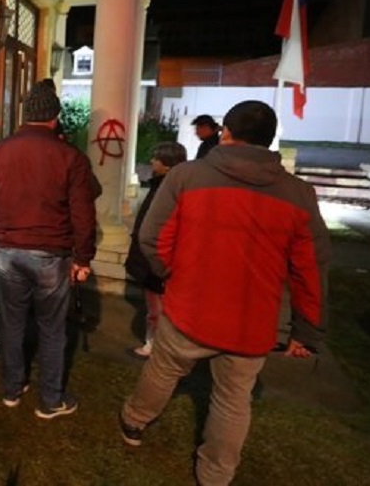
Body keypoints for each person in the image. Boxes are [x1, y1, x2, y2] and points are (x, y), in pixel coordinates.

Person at [119, 100, 329, 486]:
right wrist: (306, 330)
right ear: (269, 141)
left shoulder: (186, 176)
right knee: (233, 399)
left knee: (163, 371)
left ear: (226, 132)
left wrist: (170, 276)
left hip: (190, 308)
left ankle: (134, 421)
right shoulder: (298, 194)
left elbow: (152, 237)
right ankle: (215, 474)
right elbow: (310, 269)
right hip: (253, 320)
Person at [0, 80, 99, 419]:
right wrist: (83, 257)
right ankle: (50, 400)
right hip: (50, 254)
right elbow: (84, 214)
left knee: (12, 322)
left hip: (8, 252)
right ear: (55, 118)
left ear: (24, 115)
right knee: (52, 328)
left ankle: (12, 390)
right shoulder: (69, 156)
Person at [124, 141, 188, 358]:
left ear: (168, 164)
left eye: (156, 159)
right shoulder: (175, 186)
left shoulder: (165, 189)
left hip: (156, 259)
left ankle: (154, 346)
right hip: (160, 257)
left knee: (156, 309)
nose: (152, 162)